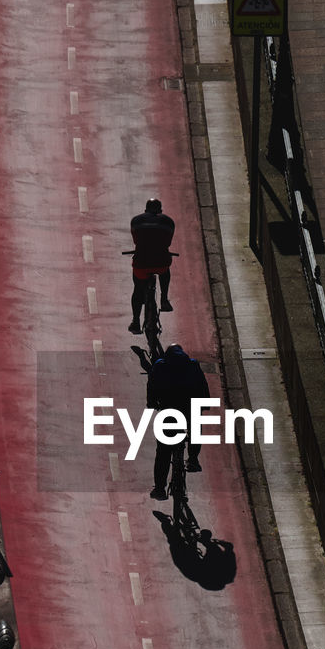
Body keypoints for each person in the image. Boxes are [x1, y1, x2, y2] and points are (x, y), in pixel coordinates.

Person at [146, 344, 209, 500]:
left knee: (163, 451)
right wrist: (204, 404)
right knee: (196, 427)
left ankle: (160, 488)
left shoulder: (160, 366)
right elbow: (202, 386)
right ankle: (193, 459)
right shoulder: (192, 364)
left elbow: (151, 387)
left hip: (169, 411)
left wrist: (152, 403)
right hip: (190, 409)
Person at [128, 197, 175, 334]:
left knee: (137, 289)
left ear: (146, 209)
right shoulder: (168, 222)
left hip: (141, 263)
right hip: (161, 263)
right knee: (165, 271)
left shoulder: (136, 221)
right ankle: (164, 299)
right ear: (160, 210)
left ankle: (136, 322)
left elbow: (136, 240)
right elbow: (168, 243)